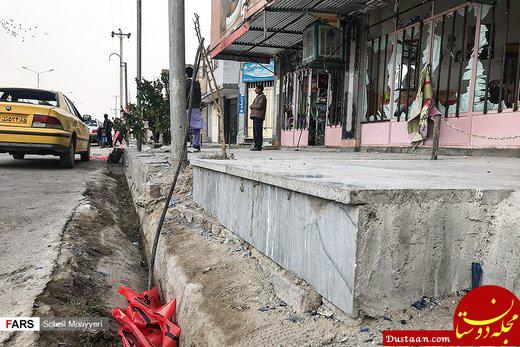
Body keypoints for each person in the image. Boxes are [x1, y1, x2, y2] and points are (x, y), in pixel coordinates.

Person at [185, 66, 205, 152]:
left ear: (186, 74)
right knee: (196, 127)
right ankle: (196, 144)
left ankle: (192, 143)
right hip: (196, 107)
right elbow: (199, 96)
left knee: (188, 126)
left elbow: (184, 95)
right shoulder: (197, 83)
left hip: (188, 107)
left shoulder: (185, 83)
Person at [249, 84, 267, 151]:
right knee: (255, 132)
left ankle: (258, 146)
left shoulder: (262, 97)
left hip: (258, 116)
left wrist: (252, 106)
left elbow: (259, 106)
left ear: (260, 89)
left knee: (258, 132)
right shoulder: (258, 96)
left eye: (256, 88)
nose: (255, 90)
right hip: (255, 116)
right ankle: (256, 145)